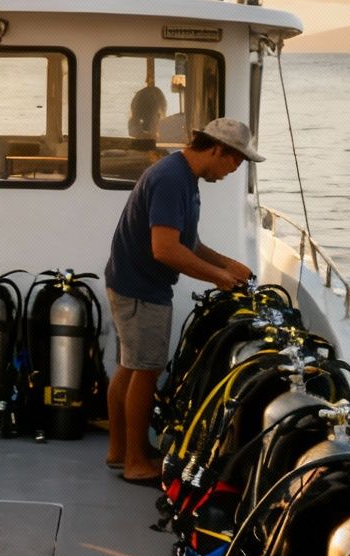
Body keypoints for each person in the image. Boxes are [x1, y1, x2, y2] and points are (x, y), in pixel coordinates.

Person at [104, 117, 263, 485]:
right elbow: (164, 249)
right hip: (142, 289)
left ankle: (119, 452)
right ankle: (134, 461)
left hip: (130, 283)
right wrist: (218, 277)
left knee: (129, 369)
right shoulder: (173, 179)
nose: (234, 170)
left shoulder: (182, 176)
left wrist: (226, 263)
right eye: (235, 161)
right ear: (218, 149)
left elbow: (186, 241)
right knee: (145, 372)